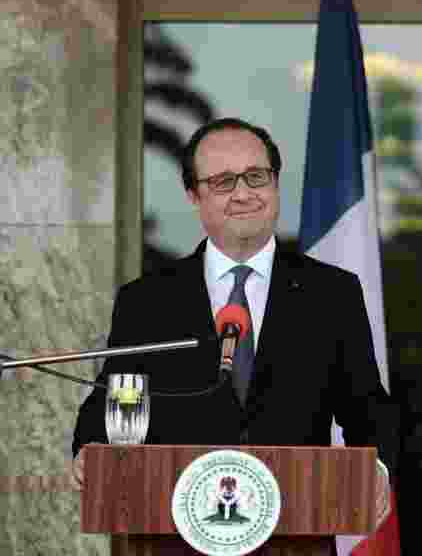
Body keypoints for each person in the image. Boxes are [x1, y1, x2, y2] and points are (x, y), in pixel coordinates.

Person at [71, 117, 394, 526]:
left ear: (275, 184)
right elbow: (115, 402)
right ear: (194, 195)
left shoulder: (331, 293)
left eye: (256, 177)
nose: (243, 193)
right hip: (174, 532)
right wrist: (92, 447)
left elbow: (367, 408)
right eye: (223, 182)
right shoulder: (147, 301)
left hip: (295, 531)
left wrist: (377, 469)